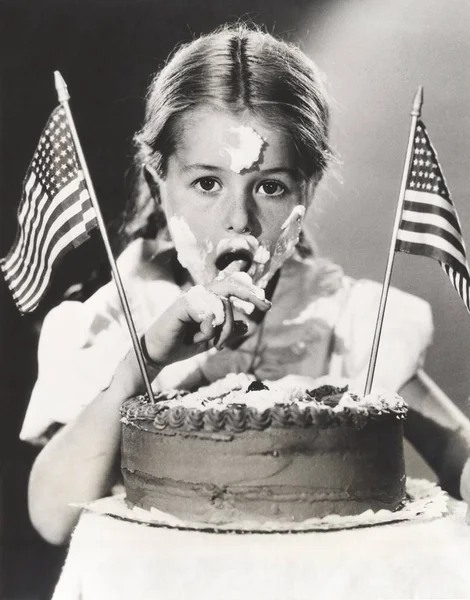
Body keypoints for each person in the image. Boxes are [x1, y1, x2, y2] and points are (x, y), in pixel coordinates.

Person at [21, 24, 470, 546]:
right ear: (157, 182)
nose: (240, 219)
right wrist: (140, 366)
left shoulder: (348, 322)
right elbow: (52, 518)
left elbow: (456, 453)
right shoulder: (113, 322)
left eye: (271, 187)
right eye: (208, 183)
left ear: (309, 191)